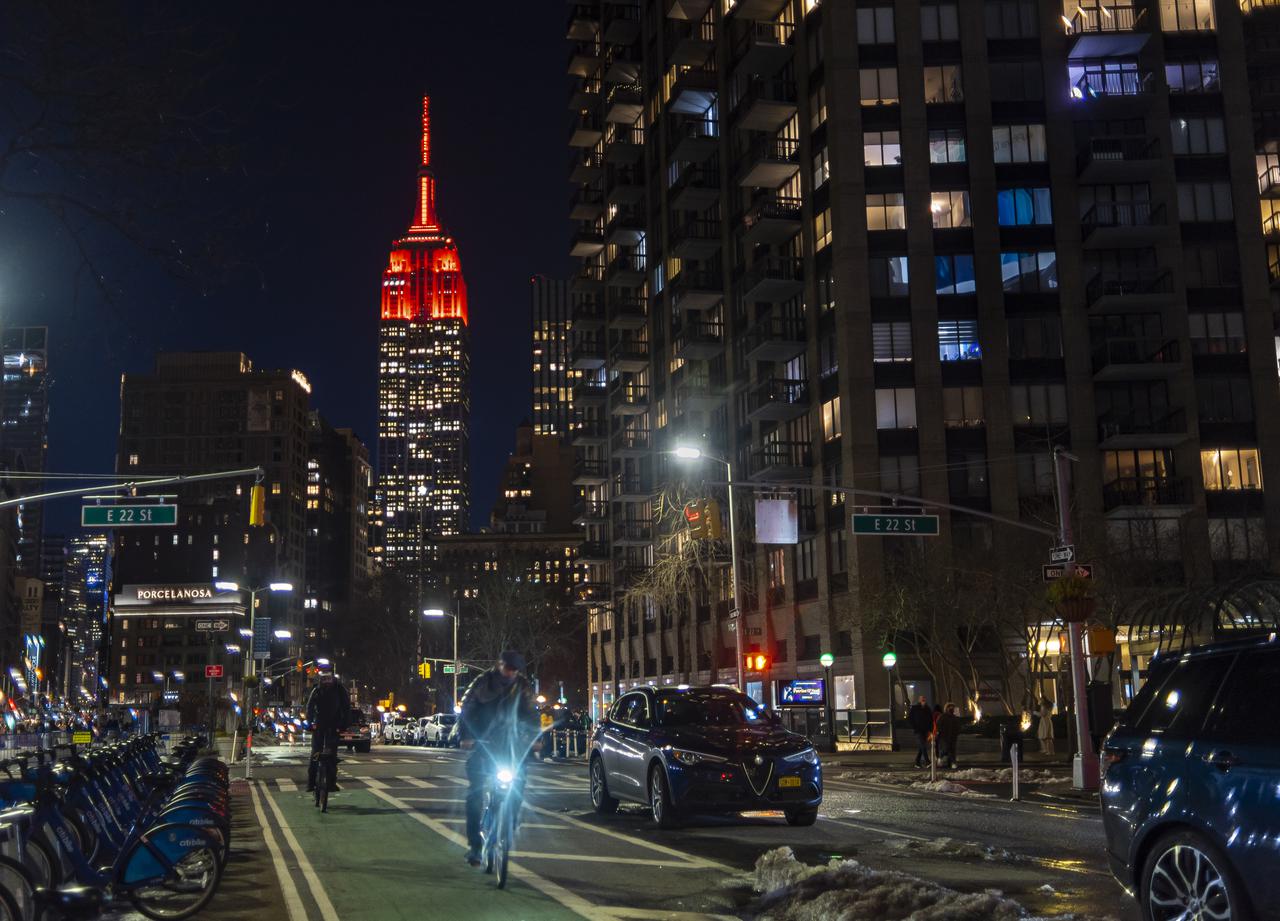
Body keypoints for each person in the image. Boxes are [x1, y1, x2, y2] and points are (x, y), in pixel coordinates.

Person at [457, 650, 541, 867]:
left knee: (518, 786)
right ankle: (475, 847)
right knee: (475, 794)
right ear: (499, 665)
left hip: (511, 745)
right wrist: (466, 737)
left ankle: (510, 825)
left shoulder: (522, 686)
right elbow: (466, 709)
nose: (511, 673)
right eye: (508, 668)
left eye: (515, 670)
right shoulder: (483, 681)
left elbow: (532, 713)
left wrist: (535, 739)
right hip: (483, 743)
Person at [304, 663, 351, 794]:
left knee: (332, 755)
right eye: (324, 678)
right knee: (315, 753)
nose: (326, 681)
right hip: (319, 724)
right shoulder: (317, 690)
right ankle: (311, 783)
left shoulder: (339, 690)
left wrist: (344, 725)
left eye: (328, 678)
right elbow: (310, 707)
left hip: (334, 725)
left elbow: (346, 708)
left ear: (333, 677)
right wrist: (309, 722)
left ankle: (331, 783)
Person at [908, 696, 933, 768]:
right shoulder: (915, 708)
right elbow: (910, 719)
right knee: (923, 745)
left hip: (925, 730)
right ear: (919, 700)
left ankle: (917, 762)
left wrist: (930, 730)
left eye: (924, 699)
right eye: (922, 699)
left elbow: (930, 720)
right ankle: (927, 762)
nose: (923, 700)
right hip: (918, 730)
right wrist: (914, 727)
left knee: (922, 746)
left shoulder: (927, 709)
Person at [937, 703, 962, 770]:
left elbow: (958, 725)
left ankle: (952, 763)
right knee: (946, 748)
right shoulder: (942, 716)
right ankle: (940, 758)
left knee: (952, 750)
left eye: (952, 707)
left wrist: (957, 732)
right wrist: (940, 732)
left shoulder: (955, 717)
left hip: (953, 736)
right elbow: (938, 725)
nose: (951, 708)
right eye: (950, 707)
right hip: (944, 736)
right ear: (946, 708)